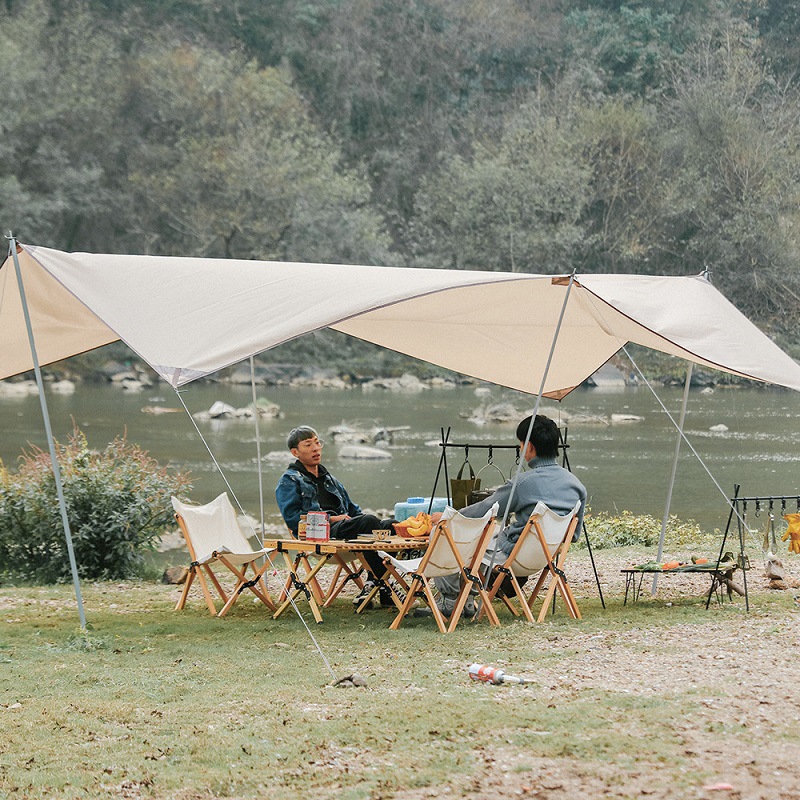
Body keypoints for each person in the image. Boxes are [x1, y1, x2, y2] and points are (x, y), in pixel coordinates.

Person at [432, 414, 587, 618]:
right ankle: (465, 600)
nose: (520, 448)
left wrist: (448, 517)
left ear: (530, 447)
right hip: (544, 558)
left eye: (521, 444)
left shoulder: (522, 483)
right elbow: (573, 536)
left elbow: (485, 509)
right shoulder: (576, 485)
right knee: (485, 534)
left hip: (513, 555)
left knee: (449, 531)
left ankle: (452, 601)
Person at [275, 425, 396, 607]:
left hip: (344, 532)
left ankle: (375, 583)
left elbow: (354, 511)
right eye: (308, 445)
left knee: (392, 525)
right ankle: (387, 586)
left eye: (317, 443)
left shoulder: (330, 479)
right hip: (319, 537)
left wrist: (372, 523)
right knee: (369, 521)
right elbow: (293, 519)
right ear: (295, 452)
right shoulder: (289, 480)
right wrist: (331, 519)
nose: (316, 448)